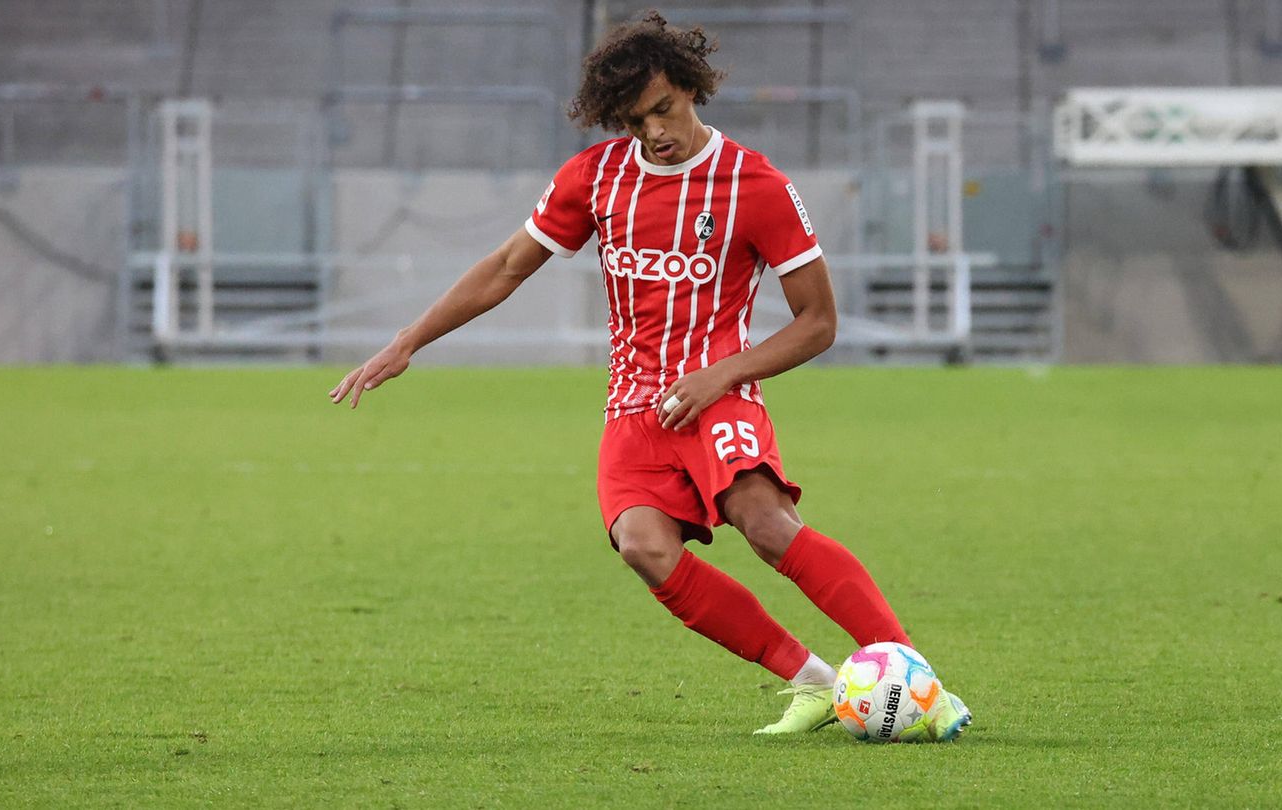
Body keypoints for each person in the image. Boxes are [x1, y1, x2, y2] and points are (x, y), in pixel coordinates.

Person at [330, 10, 972, 740]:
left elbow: (817, 322)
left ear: (692, 88)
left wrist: (718, 376)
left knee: (764, 524)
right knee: (641, 546)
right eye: (635, 121)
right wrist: (410, 340)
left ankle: (921, 681)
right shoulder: (596, 178)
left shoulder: (752, 183)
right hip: (634, 407)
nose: (655, 132)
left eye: (664, 109)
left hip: (718, 396)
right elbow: (509, 266)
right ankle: (817, 683)